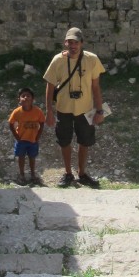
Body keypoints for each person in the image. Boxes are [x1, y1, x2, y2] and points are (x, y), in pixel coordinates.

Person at [44, 27, 106, 188]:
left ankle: (82, 173)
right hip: (63, 108)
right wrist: (49, 111)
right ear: (65, 43)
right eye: (70, 42)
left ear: (82, 43)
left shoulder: (92, 60)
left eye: (76, 42)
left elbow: (96, 87)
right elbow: (49, 86)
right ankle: (68, 173)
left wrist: (100, 111)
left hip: (85, 109)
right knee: (64, 142)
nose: (73, 46)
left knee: (84, 141)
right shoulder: (58, 60)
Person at [8, 86, 45, 185]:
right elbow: (10, 123)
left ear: (33, 99)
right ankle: (22, 174)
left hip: (33, 140)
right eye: (23, 96)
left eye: (28, 96)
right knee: (21, 157)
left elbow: (42, 123)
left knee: (32, 157)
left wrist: (38, 136)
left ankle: (33, 174)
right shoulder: (17, 112)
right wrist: (16, 136)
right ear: (19, 99)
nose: (26, 98)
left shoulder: (38, 111)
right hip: (21, 140)